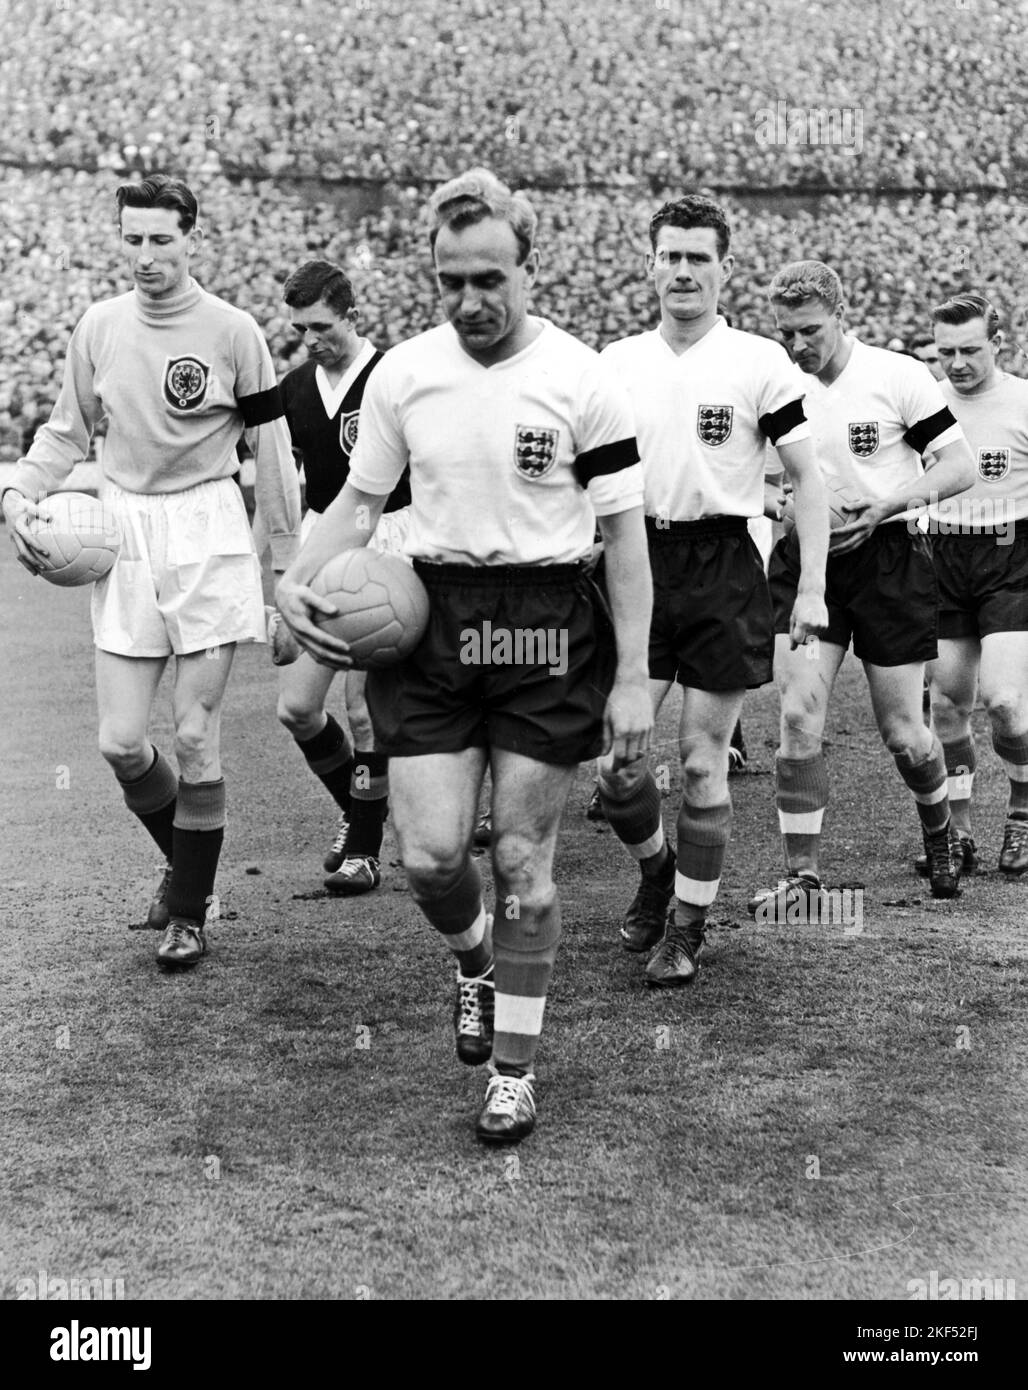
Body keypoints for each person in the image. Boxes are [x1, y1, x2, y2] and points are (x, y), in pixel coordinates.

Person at [275, 168, 652, 1144]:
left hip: (544, 624)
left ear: (527, 267)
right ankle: (474, 960)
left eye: (488, 278)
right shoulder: (405, 373)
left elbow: (623, 541)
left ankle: (512, 1073)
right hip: (430, 624)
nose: (469, 300)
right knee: (433, 854)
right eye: (451, 281)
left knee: (523, 856)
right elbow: (357, 506)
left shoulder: (582, 378)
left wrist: (631, 678)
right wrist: (292, 579)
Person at [1, 174, 300, 968]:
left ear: (192, 238)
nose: (145, 255)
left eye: (161, 238)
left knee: (196, 735)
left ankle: (188, 913)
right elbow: (65, 435)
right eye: (131, 238)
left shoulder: (234, 332)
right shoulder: (98, 327)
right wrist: (14, 492)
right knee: (121, 743)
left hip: (206, 527)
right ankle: (188, 875)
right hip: (124, 529)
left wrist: (289, 565)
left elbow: (271, 456)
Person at [595, 195, 829, 987]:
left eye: (700, 256)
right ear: (651, 264)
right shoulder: (615, 362)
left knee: (701, 764)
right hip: (636, 564)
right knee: (618, 767)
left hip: (726, 565)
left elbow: (808, 479)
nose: (684, 270)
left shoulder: (760, 361)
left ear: (725, 268)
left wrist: (812, 588)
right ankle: (657, 869)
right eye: (672, 255)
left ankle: (688, 929)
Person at [750, 260, 976, 912]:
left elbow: (958, 465)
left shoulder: (895, 375)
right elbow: (755, 479)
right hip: (804, 562)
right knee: (796, 715)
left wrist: (889, 505)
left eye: (809, 331)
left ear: (840, 315)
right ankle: (804, 879)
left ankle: (940, 831)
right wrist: (781, 509)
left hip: (888, 559)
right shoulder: (773, 383)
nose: (797, 347)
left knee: (904, 730)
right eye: (785, 332)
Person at [268, 259, 410, 895]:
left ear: (353, 314)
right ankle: (362, 813)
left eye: (321, 326)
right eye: (300, 328)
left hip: (392, 542)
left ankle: (364, 849)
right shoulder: (295, 388)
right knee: (297, 707)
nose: (311, 339)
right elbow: (291, 489)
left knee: (363, 706)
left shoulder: (394, 376)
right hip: (325, 542)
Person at [918, 294, 1028, 875]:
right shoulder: (926, 403)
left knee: (1006, 704)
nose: (956, 363)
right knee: (950, 705)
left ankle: (1022, 813)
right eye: (945, 352)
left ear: (998, 344)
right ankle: (958, 832)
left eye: (969, 350)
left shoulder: (1023, 401)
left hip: (1013, 557)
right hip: (945, 555)